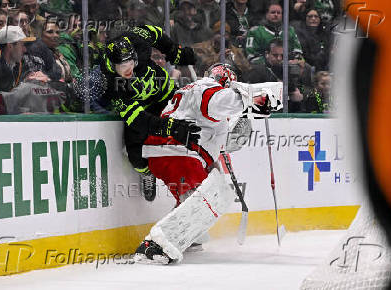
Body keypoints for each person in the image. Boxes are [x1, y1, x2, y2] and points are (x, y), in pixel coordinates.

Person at [133, 63, 283, 264]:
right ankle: (154, 246)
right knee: (208, 200)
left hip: (170, 151)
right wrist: (256, 98)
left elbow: (212, 131)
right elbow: (218, 101)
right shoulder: (207, 88)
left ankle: (188, 236)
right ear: (227, 81)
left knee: (197, 200)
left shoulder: (192, 90)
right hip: (178, 152)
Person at [95, 25, 198, 201]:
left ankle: (206, 160)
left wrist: (174, 52)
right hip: (141, 108)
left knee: (193, 120)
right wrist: (168, 127)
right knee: (134, 152)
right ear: (112, 65)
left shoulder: (137, 40)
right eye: (121, 65)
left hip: (165, 93)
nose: (127, 68)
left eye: (130, 62)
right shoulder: (110, 83)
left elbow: (156, 33)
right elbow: (137, 120)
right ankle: (147, 173)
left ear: (135, 55)